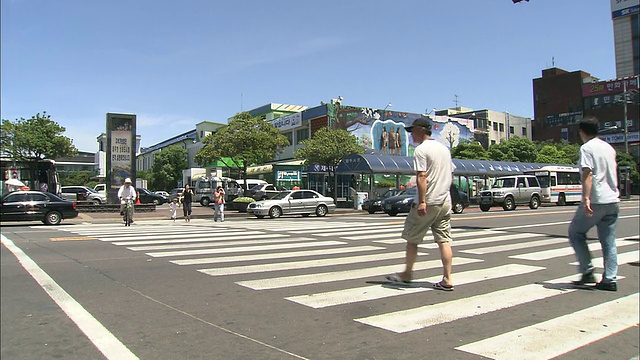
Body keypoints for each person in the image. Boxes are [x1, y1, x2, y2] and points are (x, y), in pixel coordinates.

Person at [386, 118, 455, 291]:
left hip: (429, 201)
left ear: (419, 130)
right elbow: (450, 173)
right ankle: (447, 278)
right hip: (445, 200)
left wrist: (422, 201)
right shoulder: (443, 149)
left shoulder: (421, 150)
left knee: (412, 239)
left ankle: (407, 274)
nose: (410, 135)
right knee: (444, 240)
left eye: (412, 131)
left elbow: (422, 176)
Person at [568, 116, 620, 291]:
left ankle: (587, 270)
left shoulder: (587, 148)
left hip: (597, 200)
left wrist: (586, 198)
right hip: (612, 199)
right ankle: (610, 279)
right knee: (609, 241)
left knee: (575, 232)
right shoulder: (609, 148)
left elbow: (588, 173)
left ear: (581, 132)